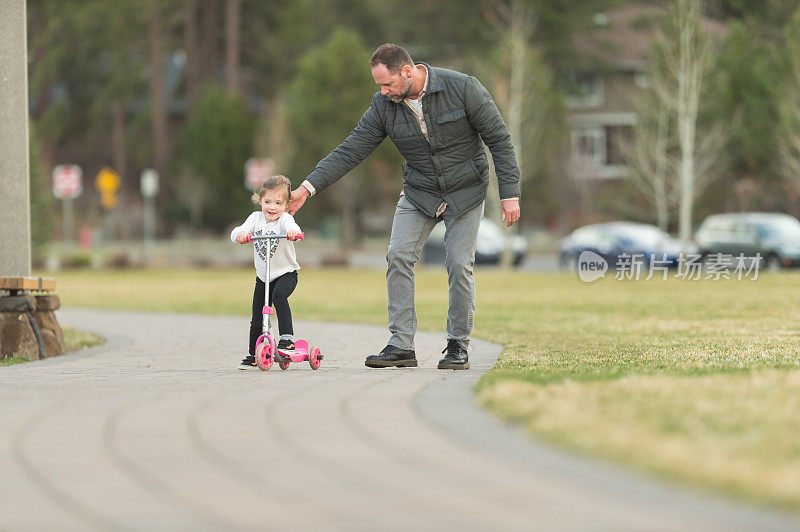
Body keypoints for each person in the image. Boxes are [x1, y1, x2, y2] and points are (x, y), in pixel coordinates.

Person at [289, 43, 521, 370]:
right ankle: (401, 344)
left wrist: (510, 193)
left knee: (458, 263)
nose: (383, 92)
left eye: (387, 84)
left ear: (407, 72)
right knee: (398, 255)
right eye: (379, 86)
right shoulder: (384, 106)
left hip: (466, 191)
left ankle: (457, 345)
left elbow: (499, 139)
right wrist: (307, 188)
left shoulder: (463, 88)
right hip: (420, 191)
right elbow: (350, 150)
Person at [232, 175, 302, 370]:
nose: (272, 207)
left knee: (279, 296)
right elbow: (238, 231)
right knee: (257, 316)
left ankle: (287, 340)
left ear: (287, 204)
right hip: (264, 278)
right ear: (260, 200)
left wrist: (293, 233)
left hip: (286, 274)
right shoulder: (256, 219)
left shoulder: (285, 220)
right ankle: (254, 354)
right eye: (267, 202)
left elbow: (293, 228)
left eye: (278, 203)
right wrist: (241, 235)